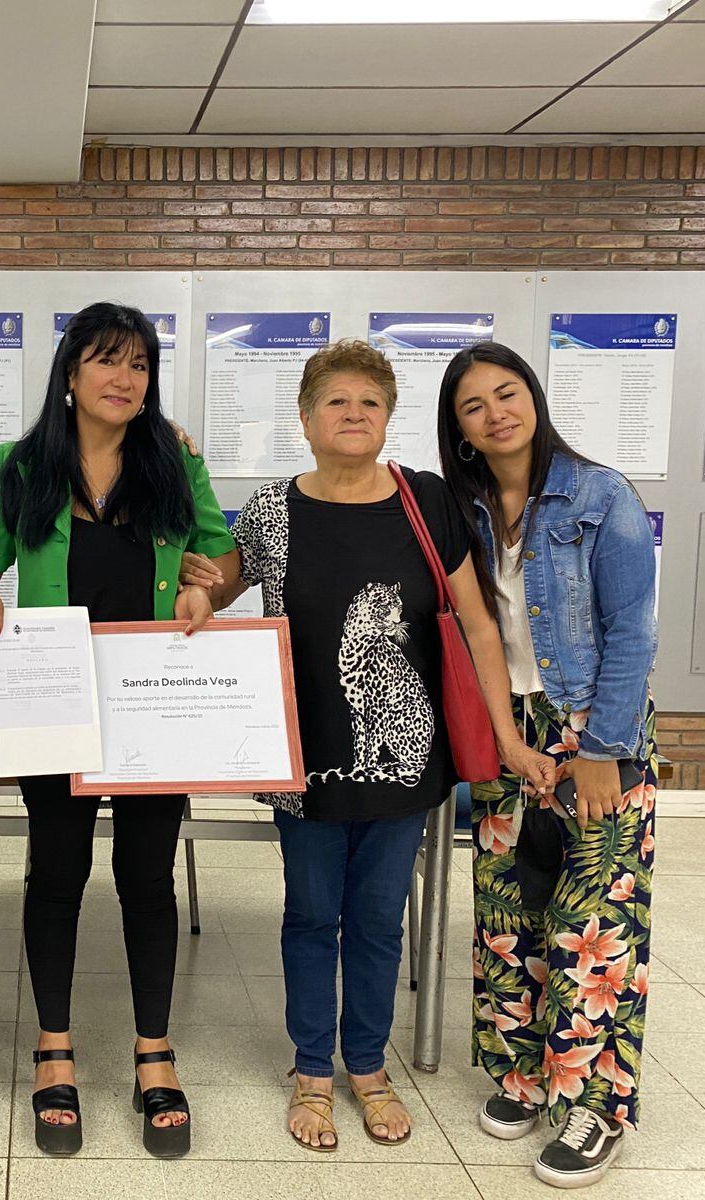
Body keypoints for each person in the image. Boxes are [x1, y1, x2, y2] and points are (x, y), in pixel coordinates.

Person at [214, 339, 555, 1154]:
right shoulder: (271, 508)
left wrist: (505, 734)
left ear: (389, 417)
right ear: (306, 419)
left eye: (370, 401)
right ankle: (311, 1071)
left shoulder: (426, 500)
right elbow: (219, 580)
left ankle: (366, 1066)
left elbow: (474, 621)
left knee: (376, 920)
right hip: (304, 760)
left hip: (408, 763)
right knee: (308, 915)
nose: (354, 414)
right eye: (337, 401)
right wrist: (197, 582)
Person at [0, 302, 238, 1159]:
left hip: (152, 697)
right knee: (59, 871)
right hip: (55, 701)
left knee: (147, 875)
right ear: (70, 373)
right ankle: (54, 1050)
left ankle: (154, 1052)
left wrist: (206, 592)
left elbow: (222, 558)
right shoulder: (20, 464)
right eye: (107, 361)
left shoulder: (175, 461)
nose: (125, 379)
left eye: (140, 365)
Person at [439, 341, 657, 1190]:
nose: (497, 412)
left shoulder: (601, 495)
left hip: (594, 724)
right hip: (508, 731)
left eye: (508, 391)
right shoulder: (465, 509)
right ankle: (524, 1078)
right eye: (473, 405)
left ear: (533, 396)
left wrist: (603, 751)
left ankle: (595, 1102)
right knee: (508, 912)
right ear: (458, 431)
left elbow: (634, 630)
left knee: (593, 919)